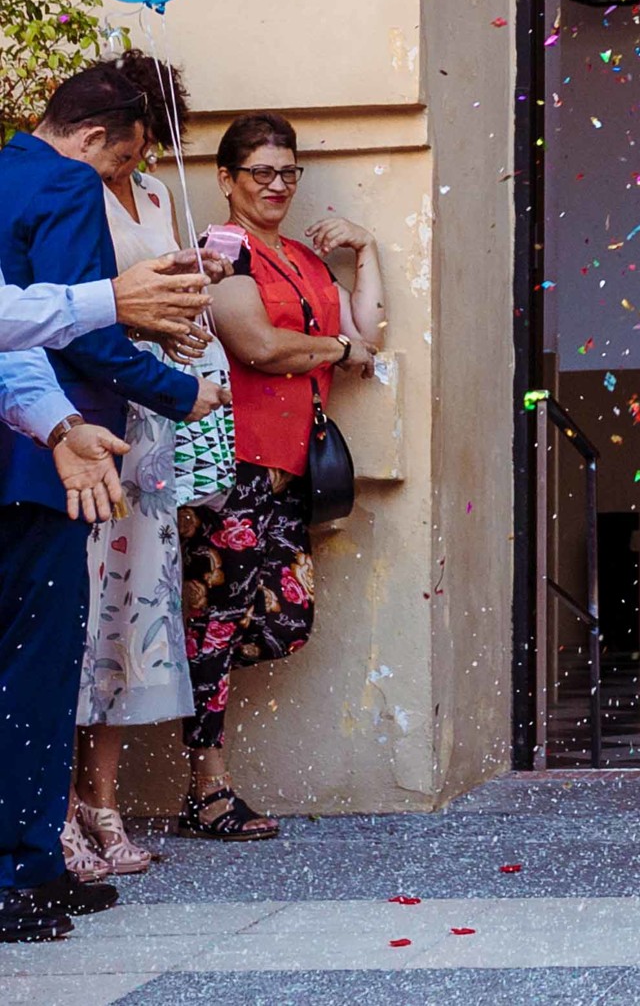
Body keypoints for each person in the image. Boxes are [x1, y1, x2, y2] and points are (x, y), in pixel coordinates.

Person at [0, 64, 228, 944]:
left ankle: (35, 858)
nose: (119, 180)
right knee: (38, 664)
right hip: (39, 470)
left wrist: (57, 422)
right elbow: (75, 333)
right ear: (96, 139)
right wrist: (178, 389)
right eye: (123, 161)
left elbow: (16, 331)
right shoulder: (62, 181)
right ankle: (23, 864)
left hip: (47, 438)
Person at [190, 113, 383, 840]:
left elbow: (365, 337)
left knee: (281, 619)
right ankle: (208, 786)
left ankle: (201, 745)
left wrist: (365, 253)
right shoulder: (223, 252)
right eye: (261, 172)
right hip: (237, 465)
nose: (277, 185)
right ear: (227, 180)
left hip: (293, 468)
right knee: (215, 622)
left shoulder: (302, 258)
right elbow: (259, 345)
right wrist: (333, 347)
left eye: (288, 171)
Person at [67, 51, 211, 880]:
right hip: (90, 413)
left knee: (129, 614)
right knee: (75, 614)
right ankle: (54, 808)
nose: (143, 158)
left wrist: (194, 292)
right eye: (135, 143)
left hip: (150, 419)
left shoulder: (154, 194)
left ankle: (104, 797)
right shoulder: (71, 188)